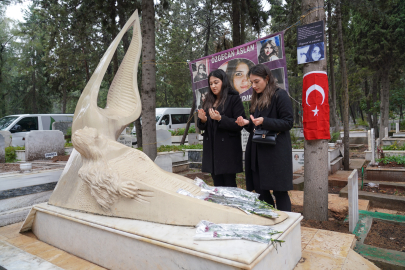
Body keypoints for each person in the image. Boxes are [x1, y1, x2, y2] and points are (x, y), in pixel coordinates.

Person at [235, 64, 294, 211]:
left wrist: (264, 121)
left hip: (276, 153)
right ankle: (271, 219)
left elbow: (288, 122)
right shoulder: (257, 98)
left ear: (266, 79)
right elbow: (256, 128)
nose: (253, 86)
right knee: (261, 190)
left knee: (279, 191)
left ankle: (285, 223)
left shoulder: (280, 95)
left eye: (257, 81)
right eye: (251, 82)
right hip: (258, 151)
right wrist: (247, 123)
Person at [197, 69, 246, 187]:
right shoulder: (208, 100)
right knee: (217, 184)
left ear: (223, 82)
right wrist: (203, 120)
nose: (213, 86)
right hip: (212, 149)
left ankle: (231, 206)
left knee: (229, 184)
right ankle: (219, 205)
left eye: (216, 82)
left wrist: (220, 119)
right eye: (210, 83)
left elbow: (239, 123)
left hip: (227, 150)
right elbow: (204, 126)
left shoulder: (233, 98)